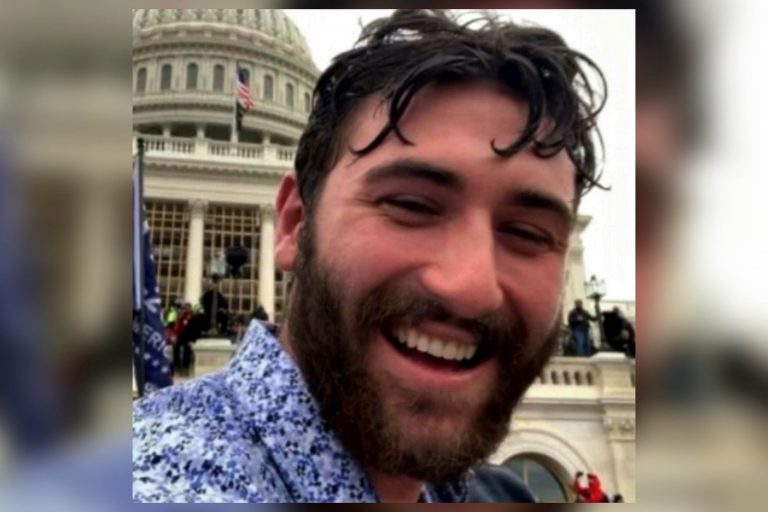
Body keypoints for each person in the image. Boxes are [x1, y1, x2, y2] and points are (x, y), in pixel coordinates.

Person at [133, 9, 607, 503]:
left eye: (527, 233)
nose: (472, 287)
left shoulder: (495, 492)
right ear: (295, 222)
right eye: (411, 205)